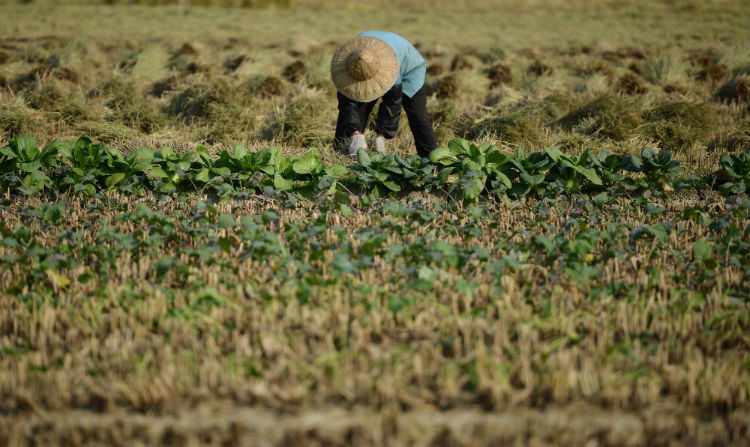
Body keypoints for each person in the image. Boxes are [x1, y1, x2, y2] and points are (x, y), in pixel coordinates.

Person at [330, 31, 437, 157]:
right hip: (365, 63)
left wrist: (381, 136)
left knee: (418, 115)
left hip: (409, 69)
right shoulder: (349, 62)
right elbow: (347, 103)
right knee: (356, 107)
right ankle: (341, 154)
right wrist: (355, 133)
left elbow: (392, 103)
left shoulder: (391, 67)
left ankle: (431, 159)